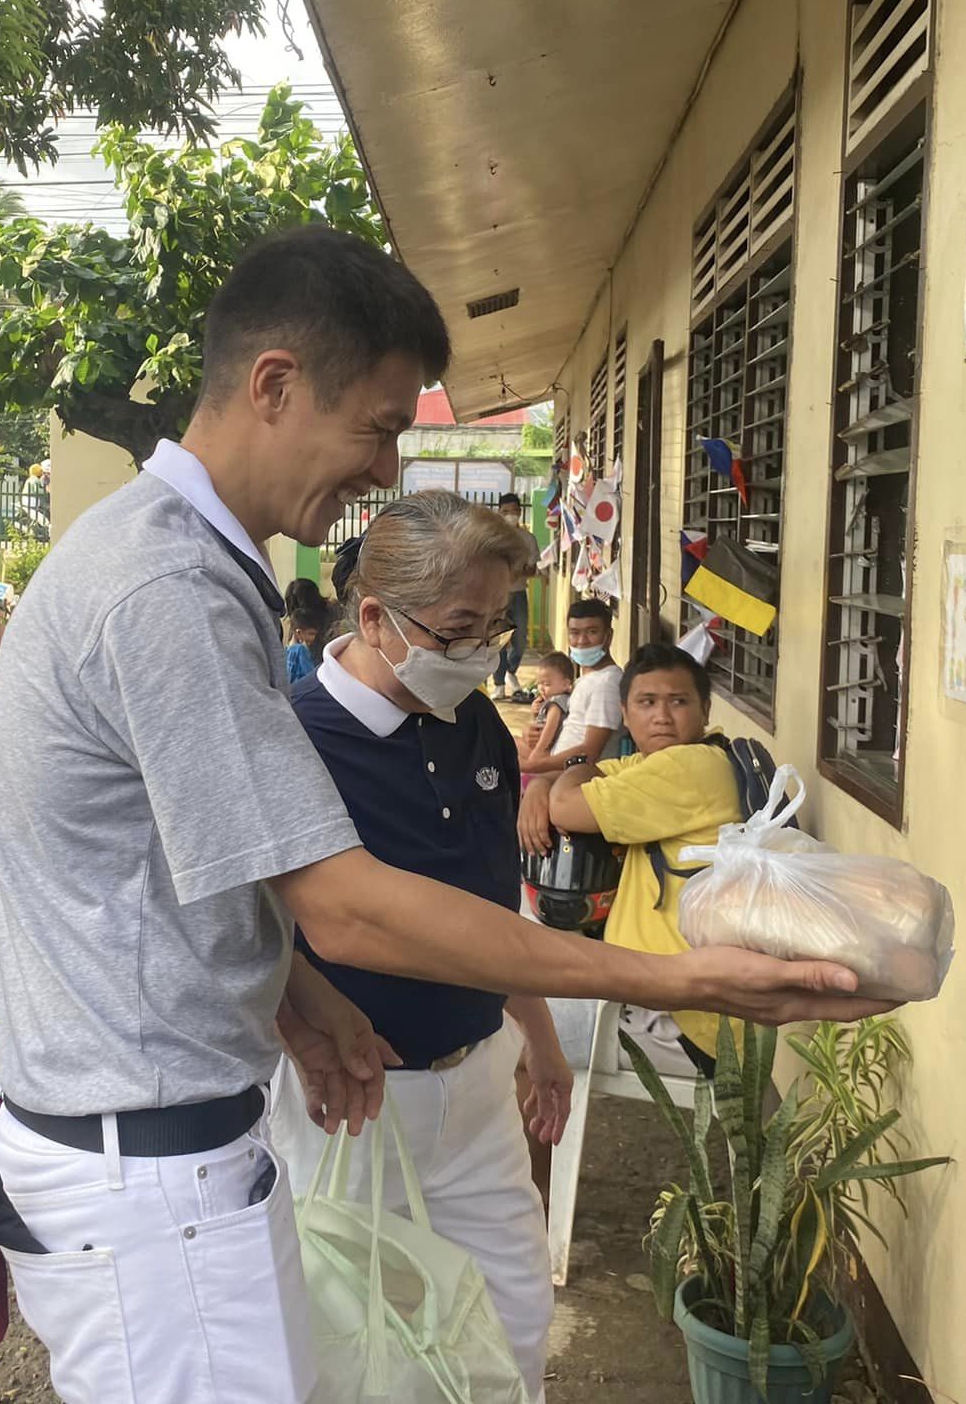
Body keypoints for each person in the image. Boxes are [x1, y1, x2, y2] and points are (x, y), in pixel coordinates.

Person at [0, 225, 892, 1404]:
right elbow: (347, 909)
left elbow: (193, 865)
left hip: (180, 1135)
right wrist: (680, 980)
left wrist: (299, 1000)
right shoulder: (168, 592)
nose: (382, 468)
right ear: (272, 385)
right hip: (150, 1161)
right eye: (377, 426)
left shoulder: (188, 571)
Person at [271, 492, 572, 1399]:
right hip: (351, 1109)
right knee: (359, 1349)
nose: (482, 653)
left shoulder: (478, 723)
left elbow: (485, 912)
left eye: (497, 628)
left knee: (514, 1323)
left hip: (477, 1087)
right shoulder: (290, 739)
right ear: (373, 617)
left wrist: (540, 1037)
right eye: (457, 631)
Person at [522, 644, 744, 1076]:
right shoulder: (652, 762)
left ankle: (532, 1143)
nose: (662, 716)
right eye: (647, 703)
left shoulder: (692, 767)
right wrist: (540, 787)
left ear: (705, 710)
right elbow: (588, 776)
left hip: (681, 1022)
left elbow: (568, 806)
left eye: (678, 702)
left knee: (507, 1025)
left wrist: (551, 787)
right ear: (625, 714)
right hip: (648, 991)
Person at [522, 598, 624, 777]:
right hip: (558, 760)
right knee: (501, 744)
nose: (582, 641)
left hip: (575, 773)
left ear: (608, 636)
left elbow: (591, 751)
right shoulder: (585, 679)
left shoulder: (607, 683)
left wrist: (534, 766)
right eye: (574, 633)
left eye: (592, 632)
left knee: (529, 783)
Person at [491, 491, 541, 703]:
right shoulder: (493, 538)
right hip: (497, 595)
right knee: (499, 640)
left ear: (520, 513)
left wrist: (520, 571)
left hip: (519, 593)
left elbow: (533, 568)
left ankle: (512, 671)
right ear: (499, 513)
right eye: (505, 512)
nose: (510, 515)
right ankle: (499, 684)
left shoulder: (528, 539)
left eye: (513, 511)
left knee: (519, 640)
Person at [516, 651, 578, 779]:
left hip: (547, 751)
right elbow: (540, 723)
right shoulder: (555, 701)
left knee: (511, 744)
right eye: (539, 683)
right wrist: (536, 713)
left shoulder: (556, 703)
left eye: (547, 684)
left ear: (566, 684)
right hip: (546, 748)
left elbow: (550, 727)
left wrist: (538, 752)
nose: (541, 688)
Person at [284, 614, 321, 685]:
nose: (313, 637)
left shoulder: (286, 650)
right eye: (311, 633)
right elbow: (311, 676)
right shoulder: (301, 650)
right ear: (299, 632)